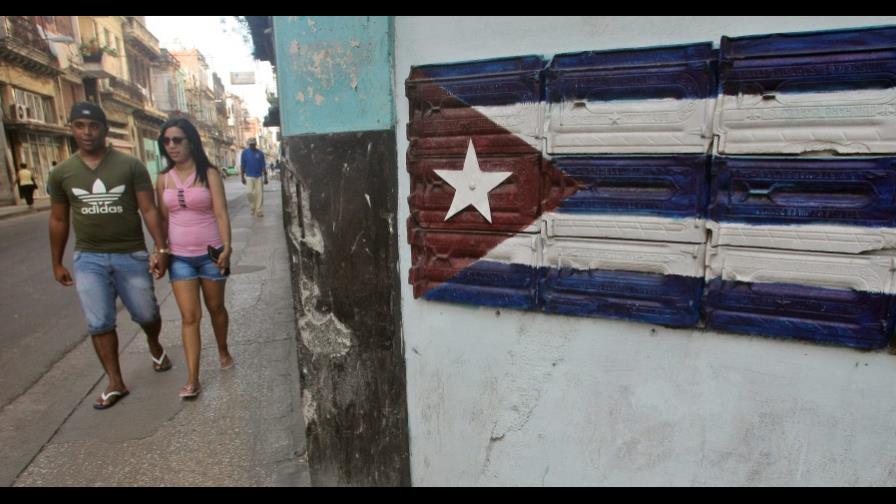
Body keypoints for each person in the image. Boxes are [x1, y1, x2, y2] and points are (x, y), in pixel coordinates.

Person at [47, 102, 171, 410]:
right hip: (89, 258)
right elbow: (59, 219)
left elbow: (148, 209)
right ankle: (115, 381)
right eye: (79, 126)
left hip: (130, 254)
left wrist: (161, 248)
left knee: (146, 314)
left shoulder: (130, 166)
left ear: (104, 129)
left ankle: (154, 344)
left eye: (93, 126)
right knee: (99, 322)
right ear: (71, 129)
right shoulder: (62, 173)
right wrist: (56, 261)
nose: (86, 133)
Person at [156, 118, 234, 399]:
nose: (172, 146)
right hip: (180, 258)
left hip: (211, 254)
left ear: (191, 141)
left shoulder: (209, 173)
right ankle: (193, 379)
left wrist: (227, 247)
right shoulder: (163, 178)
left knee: (216, 309)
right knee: (190, 317)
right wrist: (160, 251)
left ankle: (223, 349)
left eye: (177, 140)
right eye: (166, 141)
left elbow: (221, 212)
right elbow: (162, 220)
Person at [239, 138, 267, 217]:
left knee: (259, 194)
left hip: (259, 176)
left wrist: (266, 177)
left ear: (255, 144)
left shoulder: (260, 153)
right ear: (249, 144)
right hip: (249, 176)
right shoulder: (245, 153)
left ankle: (258, 210)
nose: (252, 146)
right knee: (249, 192)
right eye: (250, 144)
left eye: (253, 144)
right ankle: (253, 206)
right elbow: (242, 165)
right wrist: (242, 177)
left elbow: (263, 166)